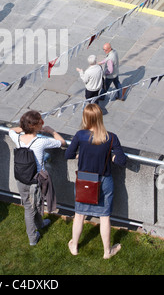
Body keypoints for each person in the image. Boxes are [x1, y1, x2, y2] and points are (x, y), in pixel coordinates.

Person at [65, 103, 126, 259]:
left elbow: (68, 155)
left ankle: (74, 246)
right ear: (100, 117)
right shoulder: (111, 137)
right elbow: (121, 161)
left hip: (84, 180)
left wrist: (80, 155)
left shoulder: (80, 135)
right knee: (104, 217)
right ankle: (107, 251)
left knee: (79, 215)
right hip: (104, 181)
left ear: (86, 118)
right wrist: (111, 156)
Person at [9, 111, 66, 246]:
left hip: (20, 178)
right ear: (35, 126)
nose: (43, 123)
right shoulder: (41, 141)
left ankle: (40, 224)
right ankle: (32, 238)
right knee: (30, 208)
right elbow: (62, 142)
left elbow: (11, 130)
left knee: (33, 204)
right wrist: (51, 131)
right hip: (35, 180)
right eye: (41, 122)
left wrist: (24, 128)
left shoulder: (17, 138)